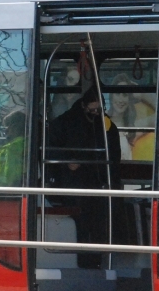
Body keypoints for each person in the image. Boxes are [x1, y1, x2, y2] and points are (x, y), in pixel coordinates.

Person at [47, 88, 122, 267]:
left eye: (99, 110)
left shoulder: (106, 125)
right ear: (83, 105)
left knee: (99, 224)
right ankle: (81, 260)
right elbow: (51, 150)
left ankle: (96, 260)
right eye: (92, 110)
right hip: (74, 182)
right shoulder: (65, 123)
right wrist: (66, 162)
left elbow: (114, 153)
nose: (96, 114)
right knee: (81, 223)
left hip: (98, 181)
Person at [0, 109, 26, 187]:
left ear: (15, 127)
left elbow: (6, 179)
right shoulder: (25, 144)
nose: (5, 131)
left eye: (6, 127)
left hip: (4, 194)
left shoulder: (11, 150)